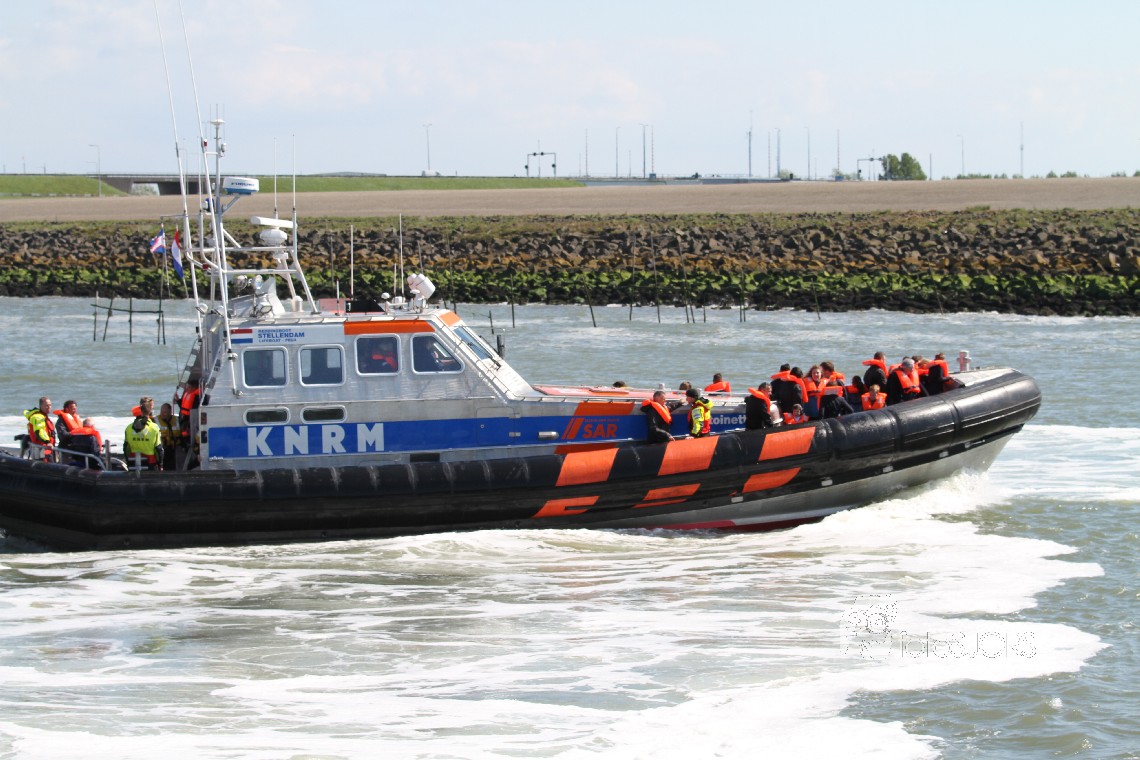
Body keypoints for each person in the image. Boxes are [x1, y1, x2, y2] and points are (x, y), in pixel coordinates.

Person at [23, 397, 56, 462]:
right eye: (46, 405)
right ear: (41, 406)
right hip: (40, 448)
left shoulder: (44, 416)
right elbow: (39, 431)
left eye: (50, 405)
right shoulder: (38, 417)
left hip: (46, 448)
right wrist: (47, 442)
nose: (49, 407)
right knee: (41, 463)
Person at [156, 402, 180, 472]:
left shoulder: (177, 420)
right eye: (161, 411)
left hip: (174, 448)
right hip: (161, 449)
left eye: (165, 412)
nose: (162, 414)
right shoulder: (155, 420)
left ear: (170, 412)